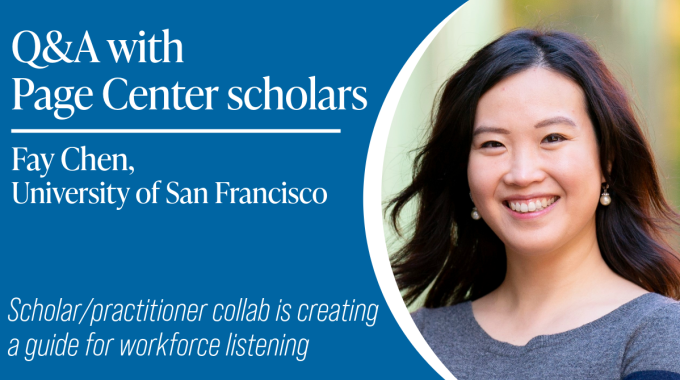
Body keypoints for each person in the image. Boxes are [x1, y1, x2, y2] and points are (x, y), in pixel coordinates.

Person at [387, 28, 680, 379]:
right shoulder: (419, 337)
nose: (522, 174)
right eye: (493, 144)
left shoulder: (657, 334)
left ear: (608, 160)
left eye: (552, 138)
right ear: (464, 173)